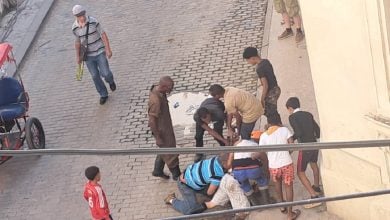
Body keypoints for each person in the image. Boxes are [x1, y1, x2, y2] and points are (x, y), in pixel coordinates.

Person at [255, 113, 301, 220]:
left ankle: (282, 206)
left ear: (268, 123)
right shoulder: (284, 130)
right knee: (288, 187)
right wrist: (287, 153)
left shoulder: (264, 135)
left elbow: (262, 152)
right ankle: (290, 214)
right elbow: (291, 145)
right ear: (279, 121)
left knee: (277, 184)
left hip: (274, 165)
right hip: (286, 163)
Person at [72, 5, 116, 105]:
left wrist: (108, 49)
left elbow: (103, 34)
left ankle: (111, 81)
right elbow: (77, 42)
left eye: (83, 15)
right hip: (88, 56)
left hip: (99, 51)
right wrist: (78, 57)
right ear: (76, 17)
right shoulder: (74, 28)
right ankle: (103, 94)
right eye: (79, 16)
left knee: (106, 73)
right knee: (95, 75)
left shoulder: (93, 22)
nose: (82, 17)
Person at [164, 154, 230, 215]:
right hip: (185, 185)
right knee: (189, 210)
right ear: (225, 164)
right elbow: (209, 192)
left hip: (188, 175)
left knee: (218, 189)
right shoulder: (218, 174)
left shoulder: (216, 159)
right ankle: (171, 199)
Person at [286, 97, 322, 208]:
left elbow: (299, 132)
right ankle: (316, 187)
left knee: (300, 172)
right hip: (314, 144)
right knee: (314, 164)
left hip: (305, 147)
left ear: (290, 108)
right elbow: (318, 130)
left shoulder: (292, 117)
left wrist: (292, 137)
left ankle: (314, 197)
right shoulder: (308, 114)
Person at [148, 76, 181, 180]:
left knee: (165, 149)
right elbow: (152, 121)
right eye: (170, 87)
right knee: (170, 152)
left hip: (166, 125)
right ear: (164, 86)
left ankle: (157, 170)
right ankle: (177, 175)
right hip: (162, 130)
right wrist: (158, 137)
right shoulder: (155, 100)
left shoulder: (160, 92)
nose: (171, 89)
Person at [243, 47, 281, 118]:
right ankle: (278, 124)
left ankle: (275, 126)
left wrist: (262, 98)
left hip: (271, 92)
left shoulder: (259, 69)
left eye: (248, 60)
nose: (248, 62)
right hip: (276, 88)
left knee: (269, 113)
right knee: (273, 110)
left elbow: (265, 85)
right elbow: (269, 76)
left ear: (252, 58)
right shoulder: (266, 61)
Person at [230, 139, 270, 206]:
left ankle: (255, 204)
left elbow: (230, 160)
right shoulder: (255, 145)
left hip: (237, 170)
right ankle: (267, 202)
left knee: (244, 184)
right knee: (262, 180)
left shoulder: (236, 145)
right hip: (253, 169)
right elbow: (264, 159)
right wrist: (266, 171)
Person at [193, 97, 228, 162]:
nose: (207, 122)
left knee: (218, 133)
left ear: (209, 114)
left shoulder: (219, 114)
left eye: (208, 119)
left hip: (217, 105)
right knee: (198, 136)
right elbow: (210, 130)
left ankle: (224, 147)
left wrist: (230, 130)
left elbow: (227, 119)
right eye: (204, 120)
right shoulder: (197, 117)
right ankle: (199, 152)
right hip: (206, 105)